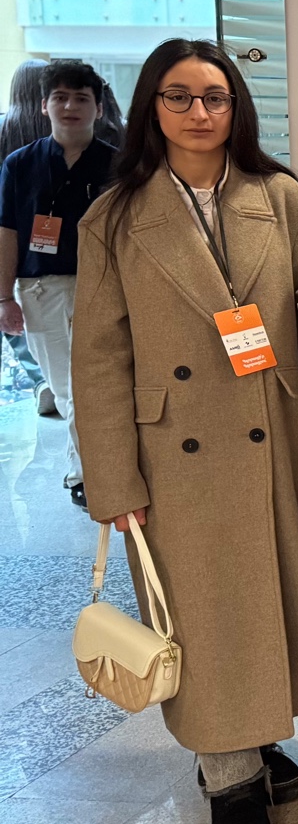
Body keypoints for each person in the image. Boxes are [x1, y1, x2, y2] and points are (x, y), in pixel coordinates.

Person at [71, 38, 298, 824]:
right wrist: (113, 480)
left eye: (215, 97)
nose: (199, 112)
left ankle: (255, 738)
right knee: (206, 614)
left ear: (237, 107)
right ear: (151, 107)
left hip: (279, 434)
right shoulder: (114, 217)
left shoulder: (281, 196)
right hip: (175, 455)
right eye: (180, 96)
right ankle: (231, 782)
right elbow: (98, 358)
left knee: (268, 603)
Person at [0, 60, 115, 505]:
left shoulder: (117, 165)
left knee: (96, 383)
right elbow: (8, 232)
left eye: (81, 98)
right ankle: (85, 468)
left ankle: (87, 472)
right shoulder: (20, 164)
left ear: (98, 108)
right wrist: (4, 297)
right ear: (44, 105)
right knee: (66, 387)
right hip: (40, 289)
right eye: (60, 98)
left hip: (102, 288)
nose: (70, 106)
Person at [0, 58, 50, 406]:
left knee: (10, 306)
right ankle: (54, 376)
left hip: (6, 229)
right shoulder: (56, 129)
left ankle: (39, 378)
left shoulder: (4, 128)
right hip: (47, 233)